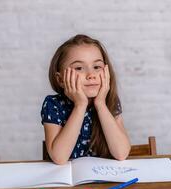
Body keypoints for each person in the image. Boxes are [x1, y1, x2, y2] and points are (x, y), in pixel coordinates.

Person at [40, 34, 131, 165]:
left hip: (102, 179)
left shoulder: (109, 101)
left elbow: (121, 153)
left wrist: (100, 104)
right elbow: (59, 157)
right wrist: (80, 105)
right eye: (79, 68)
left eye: (97, 67)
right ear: (60, 79)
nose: (91, 75)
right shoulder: (53, 104)